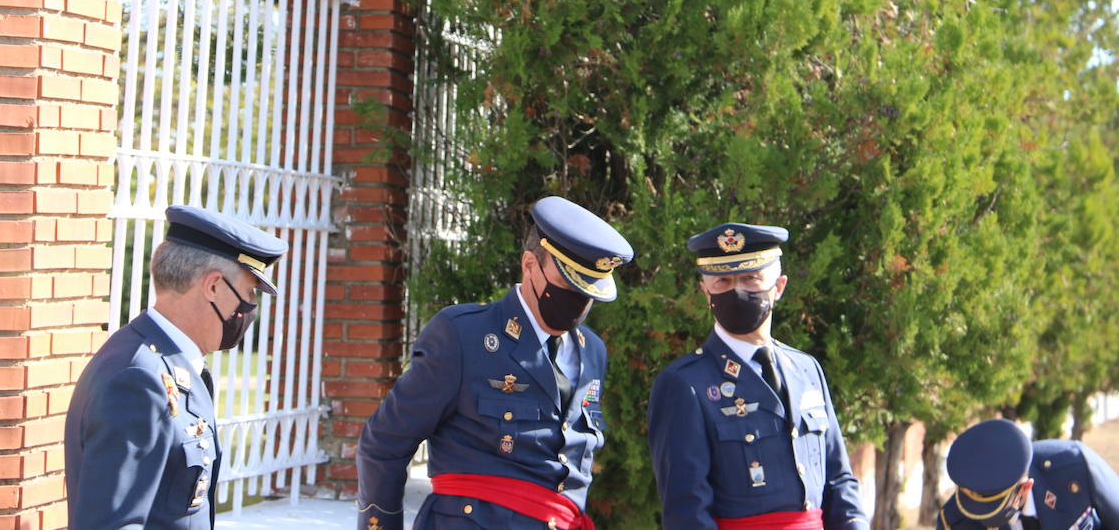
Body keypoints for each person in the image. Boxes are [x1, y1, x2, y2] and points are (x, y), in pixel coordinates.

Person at [355, 196, 635, 530]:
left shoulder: (592, 351)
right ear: (530, 264)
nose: (578, 301)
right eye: (567, 284)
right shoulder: (463, 335)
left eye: (589, 292)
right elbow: (383, 444)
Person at [64, 205, 287, 529]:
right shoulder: (139, 380)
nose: (250, 307)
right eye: (249, 292)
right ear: (213, 286)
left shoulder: (171, 364)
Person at [647, 222, 867, 529]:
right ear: (705, 291)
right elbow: (687, 511)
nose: (737, 290)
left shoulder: (807, 370)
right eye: (722, 281)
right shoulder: (686, 384)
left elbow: (839, 479)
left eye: (751, 279)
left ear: (778, 287)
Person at [936, 417, 1119, 529]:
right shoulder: (954, 521)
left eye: (995, 513)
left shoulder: (1075, 467)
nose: (986, 523)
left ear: (1025, 488)